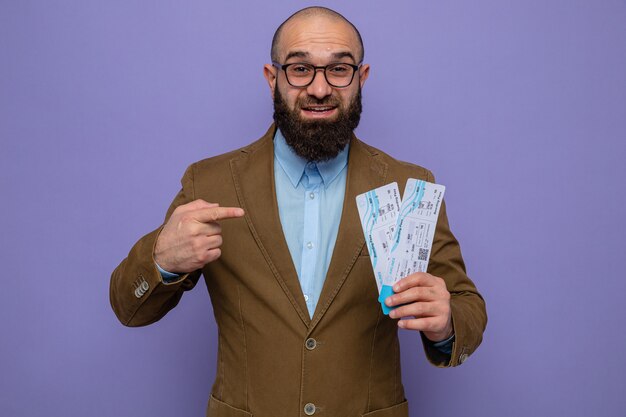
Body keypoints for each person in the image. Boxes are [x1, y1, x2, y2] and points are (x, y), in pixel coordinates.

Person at [110, 6, 486, 417]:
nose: (320, 88)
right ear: (273, 78)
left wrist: (446, 322)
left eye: (339, 69)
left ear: (361, 78)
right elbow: (130, 309)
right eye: (300, 69)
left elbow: (466, 304)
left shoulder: (407, 186)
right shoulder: (209, 183)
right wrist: (162, 261)